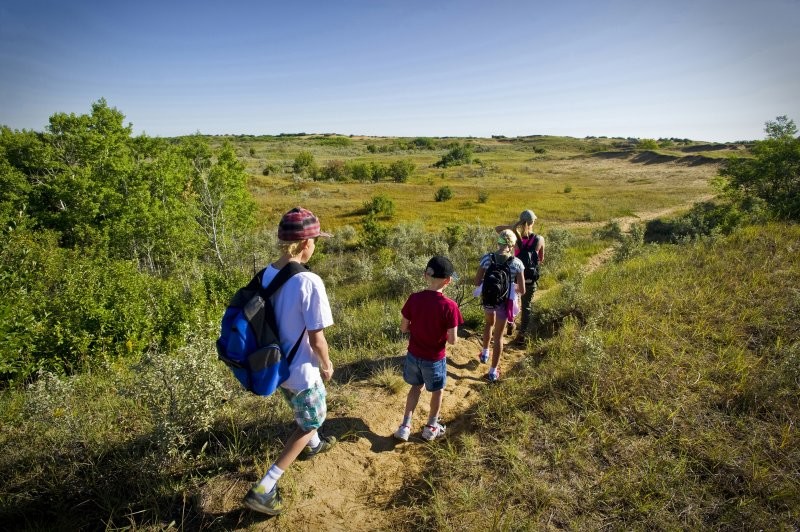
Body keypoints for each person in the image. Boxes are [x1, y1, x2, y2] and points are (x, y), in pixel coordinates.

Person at [243, 207, 336, 516]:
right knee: (312, 421)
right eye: (315, 240)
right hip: (303, 370)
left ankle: (313, 445)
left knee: (302, 412)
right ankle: (265, 487)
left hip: (276, 366)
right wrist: (326, 364)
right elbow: (316, 338)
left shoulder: (267, 273)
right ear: (306, 242)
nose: (316, 246)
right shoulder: (310, 282)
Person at [393, 256, 464, 442]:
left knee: (415, 387)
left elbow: (403, 327)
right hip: (434, 358)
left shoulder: (414, 299)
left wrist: (416, 329)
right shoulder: (450, 306)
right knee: (437, 391)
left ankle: (405, 426)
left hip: (413, 355)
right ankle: (432, 426)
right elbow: (453, 340)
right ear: (448, 280)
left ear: (425, 275)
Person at [475, 229, 525, 382]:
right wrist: (511, 285)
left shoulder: (486, 259)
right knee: (499, 337)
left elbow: (477, 282)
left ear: (498, 242)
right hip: (504, 303)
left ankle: (484, 353)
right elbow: (522, 290)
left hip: (488, 299)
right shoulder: (517, 263)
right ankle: (492, 371)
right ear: (512, 245)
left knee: (488, 324)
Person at [495, 209, 545, 338]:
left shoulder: (515, 238)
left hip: (514, 278)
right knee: (526, 306)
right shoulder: (540, 239)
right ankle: (522, 334)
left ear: (521, 221)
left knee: (511, 301)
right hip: (529, 278)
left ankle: (511, 322)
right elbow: (541, 259)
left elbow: (497, 229)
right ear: (533, 222)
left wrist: (512, 227)